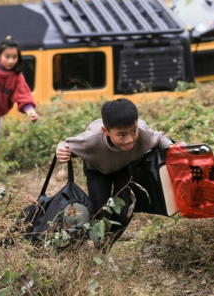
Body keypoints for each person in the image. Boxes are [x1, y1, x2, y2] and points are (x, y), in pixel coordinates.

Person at [56, 98, 174, 248]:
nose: (129, 140)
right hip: (97, 170)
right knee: (101, 211)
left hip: (125, 168)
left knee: (124, 211)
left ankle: (106, 245)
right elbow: (66, 145)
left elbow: (160, 139)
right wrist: (61, 150)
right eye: (122, 135)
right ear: (105, 131)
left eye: (133, 131)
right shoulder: (90, 140)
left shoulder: (143, 132)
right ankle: (95, 244)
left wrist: (172, 147)